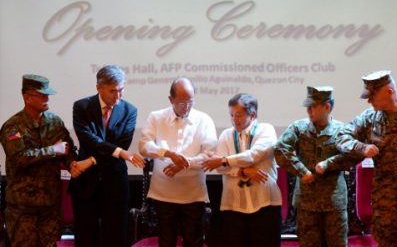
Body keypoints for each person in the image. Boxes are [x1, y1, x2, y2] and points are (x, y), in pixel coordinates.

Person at [336, 71, 397, 247]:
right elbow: (340, 138)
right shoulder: (369, 118)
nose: (369, 101)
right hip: (386, 201)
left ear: (388, 91)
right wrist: (362, 148)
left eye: (372, 96)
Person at [69, 65, 145, 247]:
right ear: (99, 88)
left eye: (121, 90)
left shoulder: (130, 110)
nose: (118, 96)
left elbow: (123, 143)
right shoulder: (82, 107)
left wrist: (91, 161)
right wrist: (118, 152)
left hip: (115, 185)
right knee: (86, 237)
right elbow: (89, 140)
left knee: (116, 238)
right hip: (86, 185)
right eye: (113, 91)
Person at [274, 86, 359, 247]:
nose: (308, 111)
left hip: (333, 201)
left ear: (327, 107)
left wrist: (329, 164)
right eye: (307, 107)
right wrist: (301, 171)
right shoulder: (299, 128)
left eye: (313, 107)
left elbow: (354, 155)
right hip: (307, 203)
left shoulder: (342, 130)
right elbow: (280, 149)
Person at [139, 77, 217, 247]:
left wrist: (184, 163)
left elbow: (209, 155)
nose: (187, 106)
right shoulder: (156, 117)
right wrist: (167, 153)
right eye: (182, 102)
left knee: (193, 240)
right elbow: (144, 146)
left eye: (190, 101)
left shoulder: (204, 120)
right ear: (171, 99)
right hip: (163, 194)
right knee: (166, 241)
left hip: (194, 193)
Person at [0, 74, 77, 247]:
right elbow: (20, 158)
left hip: (50, 206)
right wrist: (52, 150)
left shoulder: (55, 122)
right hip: (23, 209)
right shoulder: (13, 126)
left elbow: (68, 149)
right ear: (27, 97)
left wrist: (73, 163)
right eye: (42, 95)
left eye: (47, 95)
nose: (47, 98)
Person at [202, 93, 282, 247]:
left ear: (253, 114)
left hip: (264, 203)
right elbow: (219, 167)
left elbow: (253, 156)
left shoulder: (266, 130)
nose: (234, 119)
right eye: (231, 115)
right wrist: (242, 172)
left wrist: (226, 160)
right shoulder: (226, 135)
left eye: (238, 115)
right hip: (234, 204)